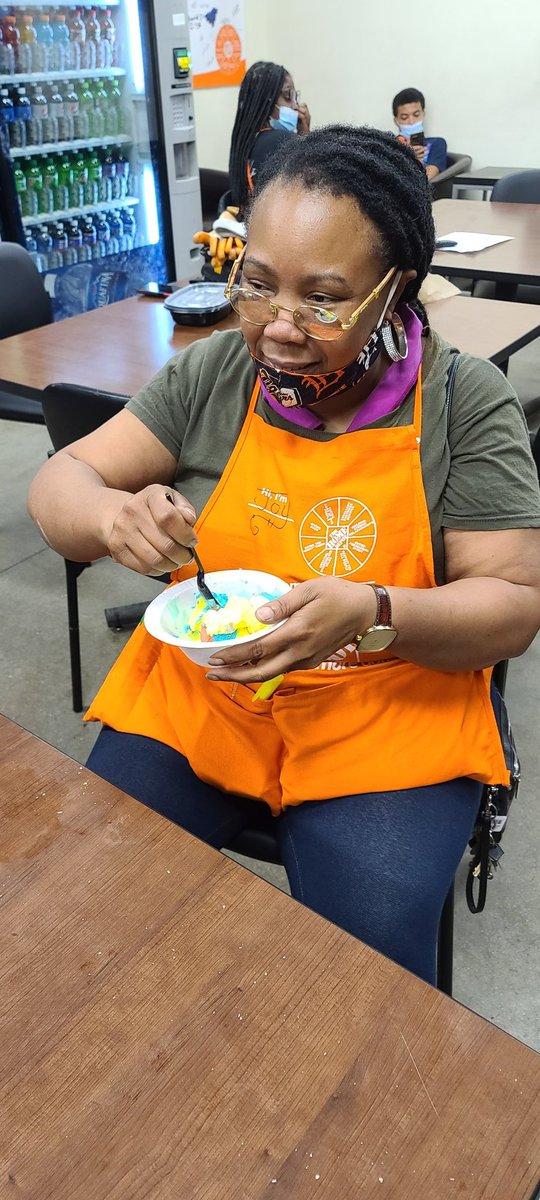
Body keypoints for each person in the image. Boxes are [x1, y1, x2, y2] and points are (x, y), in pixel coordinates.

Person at [27, 126, 540, 987]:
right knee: (97, 891)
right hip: (211, 694)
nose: (279, 331)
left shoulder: (463, 400)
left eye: (325, 299)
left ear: (394, 289)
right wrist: (112, 516)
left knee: (362, 972)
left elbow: (515, 604)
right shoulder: (220, 369)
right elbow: (59, 483)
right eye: (257, 286)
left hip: (388, 708)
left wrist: (378, 612)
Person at [228, 60, 310, 216]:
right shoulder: (281, 142)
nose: (295, 106)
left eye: (295, 97)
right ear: (268, 100)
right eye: (287, 96)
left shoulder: (244, 143)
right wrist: (305, 138)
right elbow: (313, 187)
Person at [392, 86, 447, 180]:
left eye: (416, 115)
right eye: (405, 117)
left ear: (423, 113)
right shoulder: (390, 145)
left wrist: (416, 161)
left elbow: (429, 177)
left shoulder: (437, 143)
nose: (412, 121)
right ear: (396, 120)